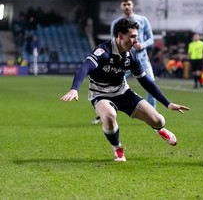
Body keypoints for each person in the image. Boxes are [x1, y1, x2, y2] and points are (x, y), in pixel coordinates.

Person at [60, 19, 189, 162]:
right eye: (132, 36)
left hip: (123, 93)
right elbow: (84, 68)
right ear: (120, 36)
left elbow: (146, 82)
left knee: (159, 120)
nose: (135, 41)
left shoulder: (131, 57)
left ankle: (159, 129)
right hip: (101, 94)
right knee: (109, 116)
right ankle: (117, 148)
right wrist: (74, 89)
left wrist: (168, 104)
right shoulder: (103, 51)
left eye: (136, 37)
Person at [91, 0, 156, 124]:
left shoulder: (142, 20)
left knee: (151, 84)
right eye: (124, 4)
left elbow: (151, 39)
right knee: (110, 84)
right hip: (123, 61)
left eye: (129, 4)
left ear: (133, 5)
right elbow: (113, 42)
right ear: (121, 6)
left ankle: (152, 114)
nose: (127, 6)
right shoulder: (116, 23)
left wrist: (142, 45)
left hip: (142, 60)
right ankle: (103, 111)